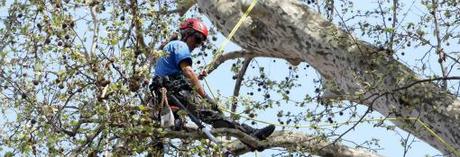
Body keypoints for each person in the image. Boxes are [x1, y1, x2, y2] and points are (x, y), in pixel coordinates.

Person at [150, 18, 275, 141]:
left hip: (167, 97)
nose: (197, 45)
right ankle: (249, 133)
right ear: (187, 34)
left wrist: (195, 79)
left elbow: (173, 74)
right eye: (197, 39)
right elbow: (188, 71)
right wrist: (204, 96)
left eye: (200, 43)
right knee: (214, 115)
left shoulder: (169, 49)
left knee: (194, 119)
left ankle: (175, 123)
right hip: (177, 94)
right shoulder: (180, 45)